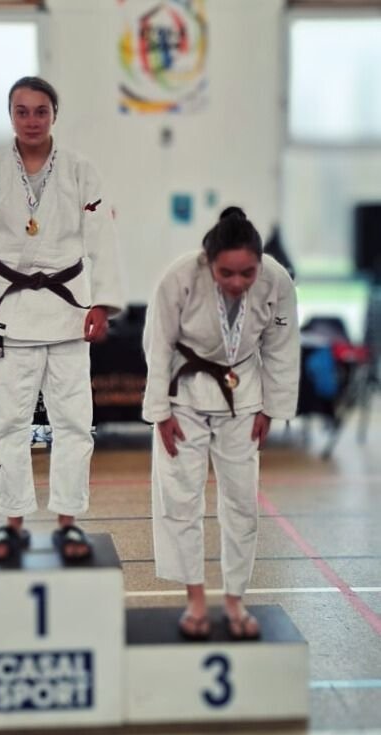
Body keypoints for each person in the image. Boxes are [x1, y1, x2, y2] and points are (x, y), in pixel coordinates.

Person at [0, 76, 124, 563]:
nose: (31, 120)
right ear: (10, 115)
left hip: (69, 309)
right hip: (11, 310)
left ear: (55, 114)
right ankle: (12, 523)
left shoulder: (79, 171)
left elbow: (102, 241)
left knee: (74, 422)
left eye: (40, 111)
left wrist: (103, 303)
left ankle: (69, 523)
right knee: (8, 423)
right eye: (22, 111)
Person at [142, 207, 300, 640]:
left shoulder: (277, 280)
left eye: (246, 273)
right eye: (226, 273)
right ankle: (195, 598)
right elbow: (157, 347)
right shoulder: (179, 279)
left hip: (244, 393)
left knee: (243, 502)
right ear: (208, 261)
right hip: (185, 395)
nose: (236, 283)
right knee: (180, 498)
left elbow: (282, 348)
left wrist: (271, 408)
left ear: (259, 262)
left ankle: (235, 599)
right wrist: (160, 412)